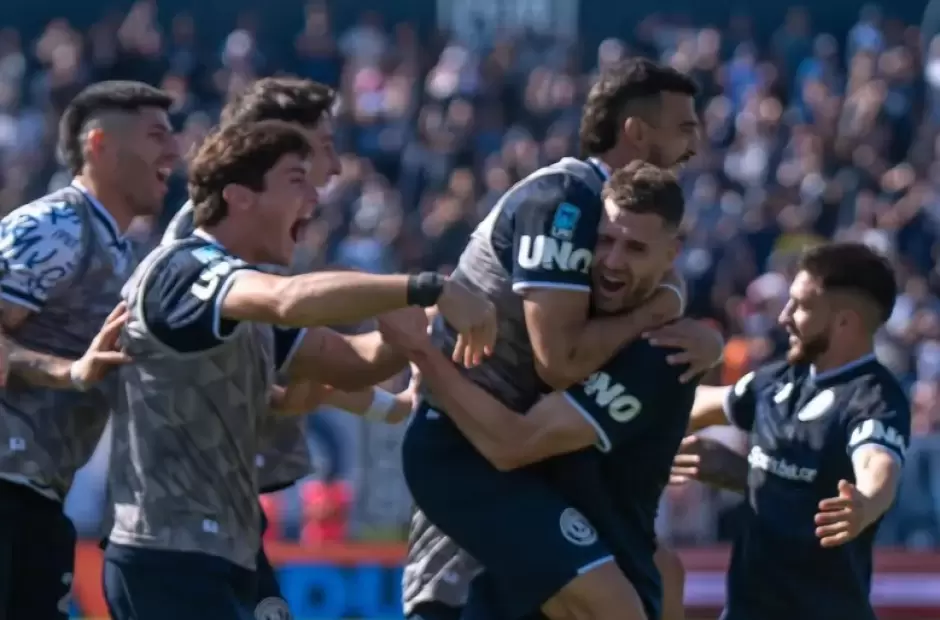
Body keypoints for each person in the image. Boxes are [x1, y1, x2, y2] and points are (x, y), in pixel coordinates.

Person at [102, 120, 495, 620]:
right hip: (166, 555)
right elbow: (289, 300)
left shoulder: (243, 299)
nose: (314, 196)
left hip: (230, 553)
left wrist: (434, 324)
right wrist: (426, 288)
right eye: (295, 181)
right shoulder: (184, 270)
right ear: (239, 196)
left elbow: (354, 362)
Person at [401, 58, 707, 620]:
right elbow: (560, 361)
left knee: (655, 576)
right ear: (637, 132)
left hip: (522, 455)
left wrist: (683, 312)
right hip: (466, 444)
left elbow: (658, 279)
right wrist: (660, 308)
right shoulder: (567, 198)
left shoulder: (609, 210)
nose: (695, 143)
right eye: (684, 127)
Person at [160, 76, 341, 609]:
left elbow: (302, 363)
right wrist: (417, 293)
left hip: (226, 516)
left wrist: (389, 400)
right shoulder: (202, 251)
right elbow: (293, 315)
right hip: (181, 527)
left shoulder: (260, 243)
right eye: (323, 148)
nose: (334, 168)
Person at [0, 80, 178, 620]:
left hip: (37, 496)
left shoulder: (120, 250)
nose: (173, 151)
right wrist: (68, 371)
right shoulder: (54, 225)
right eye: (156, 136)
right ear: (99, 144)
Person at [676, 242, 909, 620]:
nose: (784, 316)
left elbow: (877, 463)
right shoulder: (778, 380)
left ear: (844, 322)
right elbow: (696, 406)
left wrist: (866, 503)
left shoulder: (873, 397)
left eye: (801, 305)